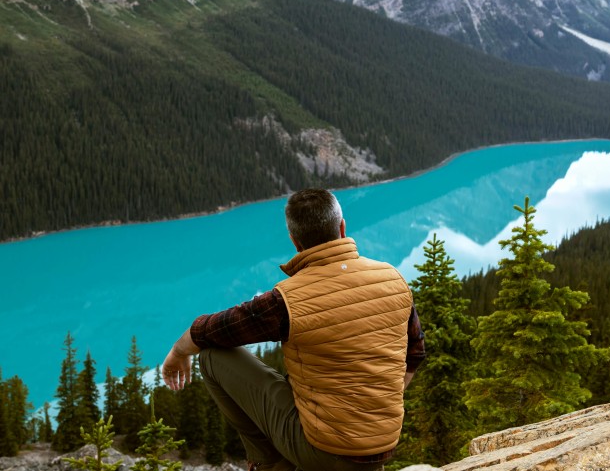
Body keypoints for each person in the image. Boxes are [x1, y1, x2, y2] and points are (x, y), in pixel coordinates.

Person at [161, 188, 425, 471]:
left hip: (323, 452)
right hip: (383, 448)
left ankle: (269, 465)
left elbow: (213, 330)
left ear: (295, 242)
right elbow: (416, 355)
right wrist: (372, 411)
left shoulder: (286, 300)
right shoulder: (392, 278)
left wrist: (178, 351)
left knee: (211, 357)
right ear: (342, 227)